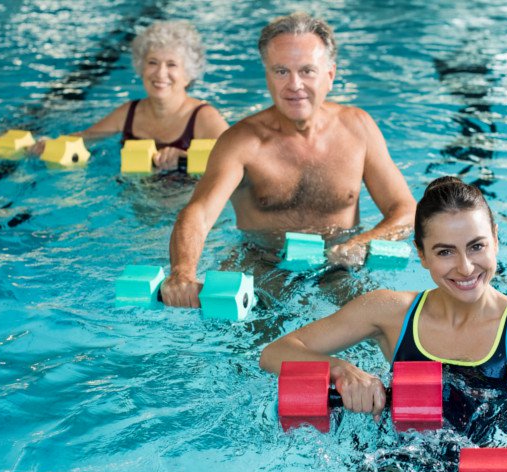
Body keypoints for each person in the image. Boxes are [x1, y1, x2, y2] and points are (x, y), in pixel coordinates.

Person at [259, 176, 507, 472]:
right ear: (421, 255)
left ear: (496, 240)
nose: (465, 268)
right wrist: (342, 370)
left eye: (476, 246)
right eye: (445, 252)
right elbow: (276, 353)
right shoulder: (390, 312)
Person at [160, 12, 416, 307]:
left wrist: (361, 243)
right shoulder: (241, 142)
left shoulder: (358, 129)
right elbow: (199, 214)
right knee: (259, 345)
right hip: (264, 263)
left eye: (307, 70)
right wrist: (182, 272)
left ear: (330, 75)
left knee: (380, 321)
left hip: (341, 264)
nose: (294, 85)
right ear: (267, 76)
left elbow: (405, 210)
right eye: (281, 71)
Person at [31, 20, 228, 170]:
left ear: (188, 75)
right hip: (135, 202)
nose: (160, 73)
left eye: (172, 64)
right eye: (152, 62)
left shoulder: (203, 117)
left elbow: (238, 160)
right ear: (141, 68)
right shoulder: (129, 113)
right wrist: (48, 144)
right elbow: (86, 137)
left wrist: (184, 156)